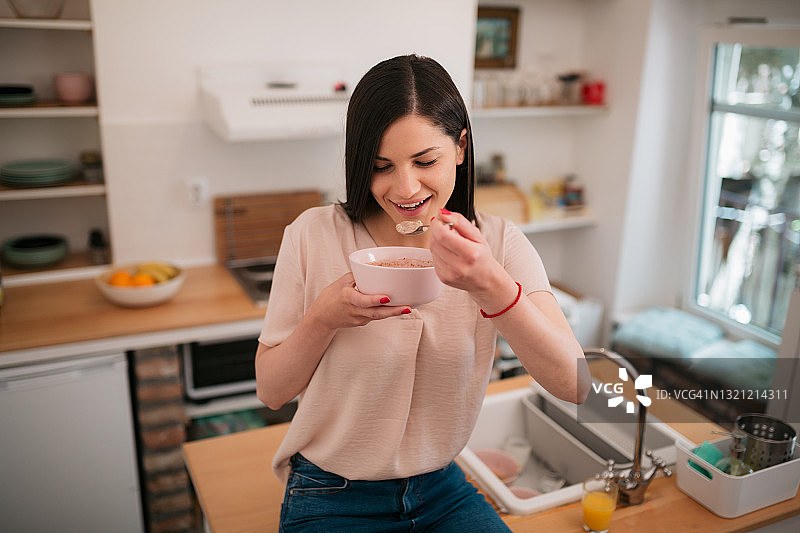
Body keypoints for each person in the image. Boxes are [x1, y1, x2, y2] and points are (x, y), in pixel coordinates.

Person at [255, 54, 589, 532]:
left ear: (460, 147)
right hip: (332, 492)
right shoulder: (313, 234)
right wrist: (324, 318)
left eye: (425, 161)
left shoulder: (497, 244)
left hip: (441, 490)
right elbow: (270, 390)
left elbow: (575, 386)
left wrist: (490, 285)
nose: (405, 187)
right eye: (381, 166)